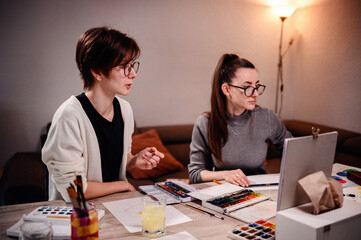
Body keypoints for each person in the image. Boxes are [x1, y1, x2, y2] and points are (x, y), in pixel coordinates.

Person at [42, 27, 164, 202]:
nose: (134, 74)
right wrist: (122, 185)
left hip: (118, 207)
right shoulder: (69, 115)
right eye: (124, 67)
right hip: (80, 217)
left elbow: (117, 159)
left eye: (132, 66)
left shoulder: (125, 110)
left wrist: (134, 160)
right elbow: (73, 190)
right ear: (97, 72)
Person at [188, 53, 292, 186]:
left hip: (262, 193)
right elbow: (195, 173)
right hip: (224, 194)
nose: (255, 94)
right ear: (226, 89)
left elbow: (294, 152)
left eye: (257, 86)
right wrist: (225, 174)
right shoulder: (204, 123)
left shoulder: (267, 118)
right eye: (247, 87)